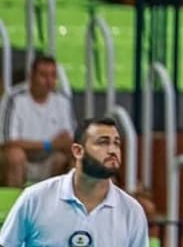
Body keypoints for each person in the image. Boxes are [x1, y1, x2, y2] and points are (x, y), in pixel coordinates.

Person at [0, 116, 149, 246]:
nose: (112, 150)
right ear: (78, 151)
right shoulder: (34, 198)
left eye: (116, 143)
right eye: (103, 142)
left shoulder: (131, 210)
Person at [0, 56, 76, 186]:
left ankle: (62, 203)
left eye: (53, 75)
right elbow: (8, 143)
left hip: (49, 161)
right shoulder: (14, 98)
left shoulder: (62, 100)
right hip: (22, 161)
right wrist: (49, 144)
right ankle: (16, 204)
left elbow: (68, 140)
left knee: (72, 157)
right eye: (43, 75)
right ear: (32, 76)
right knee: (15, 156)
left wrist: (59, 144)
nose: (49, 81)